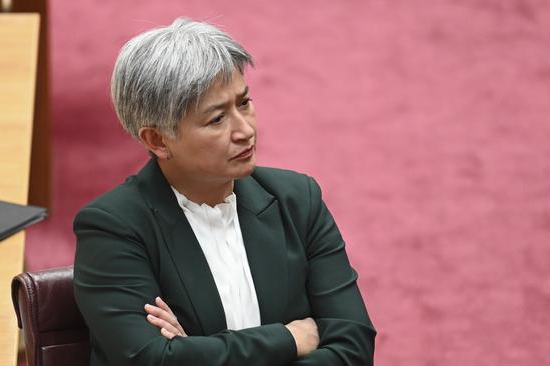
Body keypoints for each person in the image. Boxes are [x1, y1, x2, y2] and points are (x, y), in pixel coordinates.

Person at [73, 18, 376, 366]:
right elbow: (153, 360)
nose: (245, 130)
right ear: (157, 140)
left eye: (244, 103)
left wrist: (197, 352)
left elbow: (354, 347)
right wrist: (290, 338)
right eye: (217, 119)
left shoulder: (297, 200)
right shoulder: (114, 228)